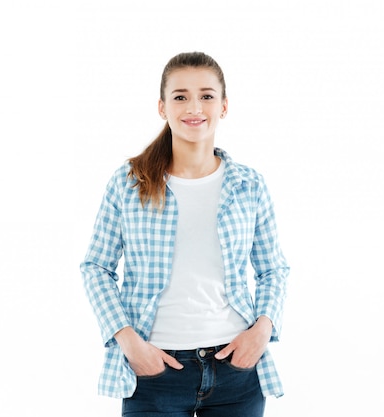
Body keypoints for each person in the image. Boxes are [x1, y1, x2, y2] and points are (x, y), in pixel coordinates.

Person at [80, 51, 289, 416]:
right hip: (153, 372)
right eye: (180, 96)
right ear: (162, 107)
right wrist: (128, 342)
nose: (195, 106)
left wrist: (262, 330)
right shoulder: (129, 182)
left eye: (207, 96)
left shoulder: (249, 185)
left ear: (224, 106)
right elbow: (96, 267)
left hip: (236, 371)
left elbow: (273, 269)